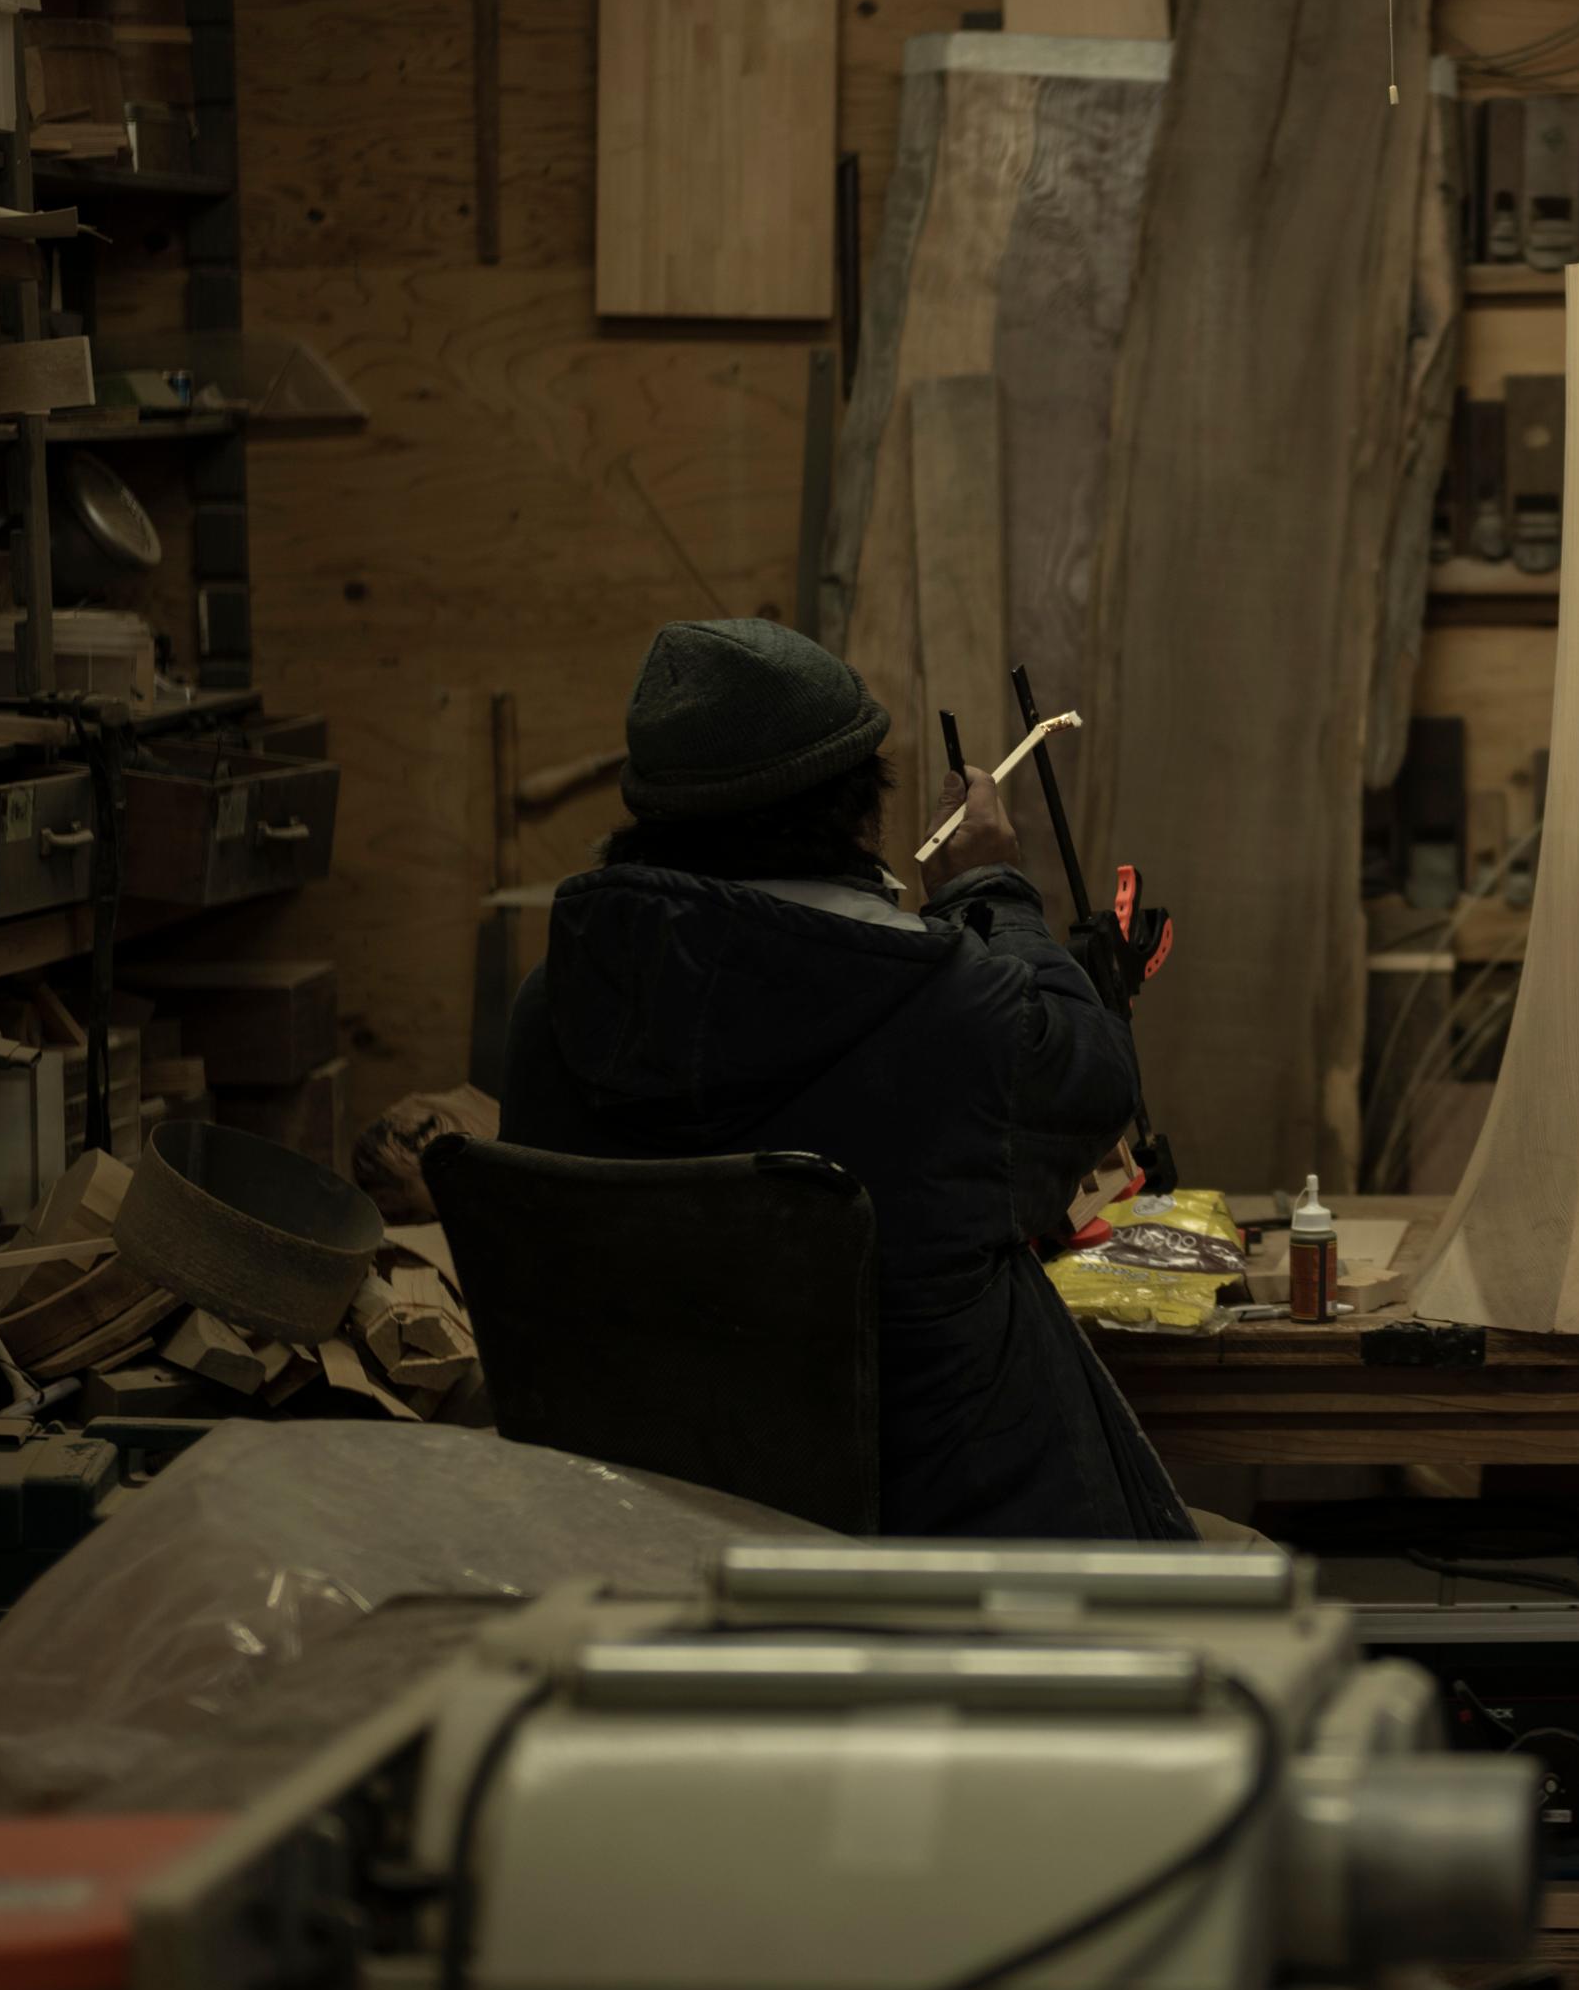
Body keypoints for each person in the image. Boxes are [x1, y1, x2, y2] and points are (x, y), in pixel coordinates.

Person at [496, 617, 1191, 1541]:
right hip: (939, 1558)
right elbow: (1096, 1084)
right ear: (862, 812)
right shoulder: (937, 1006)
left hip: (646, 1548)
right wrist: (988, 890)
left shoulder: (553, 1011)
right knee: (1246, 1567)